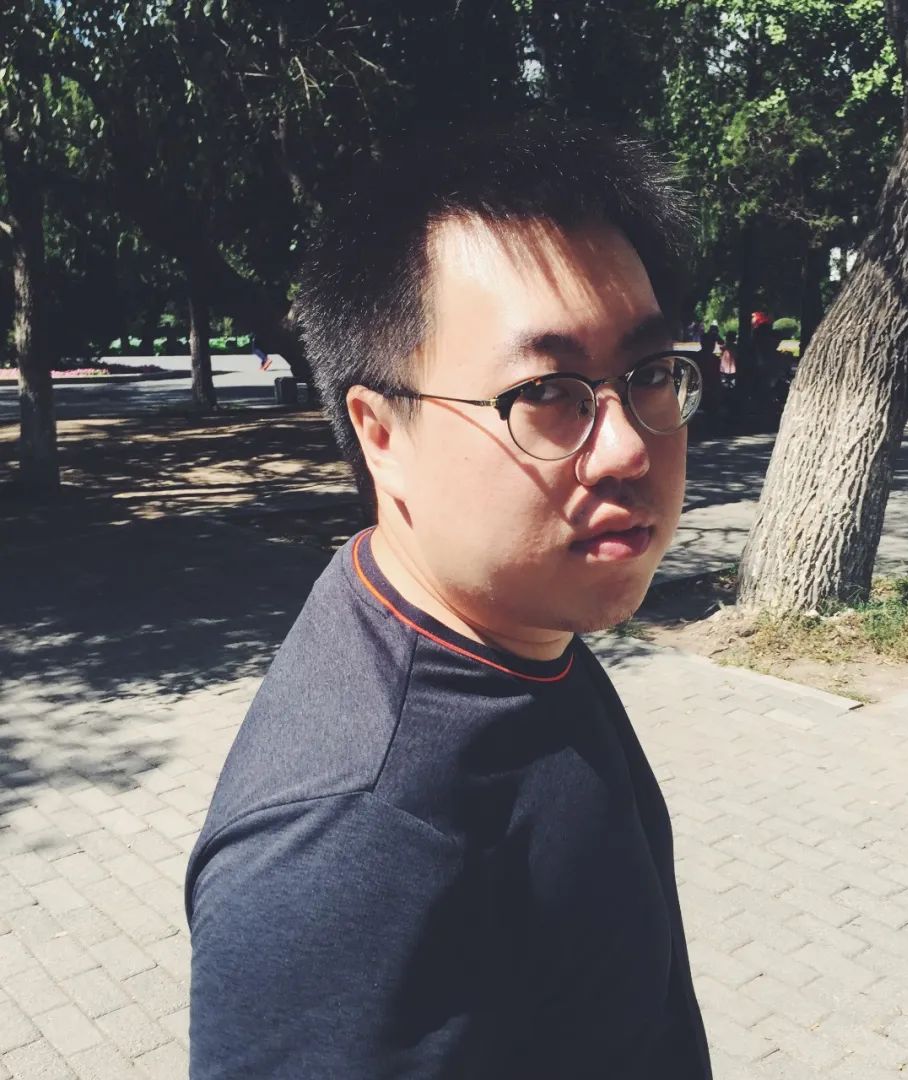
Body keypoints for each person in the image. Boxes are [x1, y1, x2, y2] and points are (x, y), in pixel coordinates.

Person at [185, 119, 711, 1079]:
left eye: (648, 374)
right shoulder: (344, 845)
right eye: (546, 391)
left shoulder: (517, 623)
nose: (629, 448)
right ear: (381, 434)